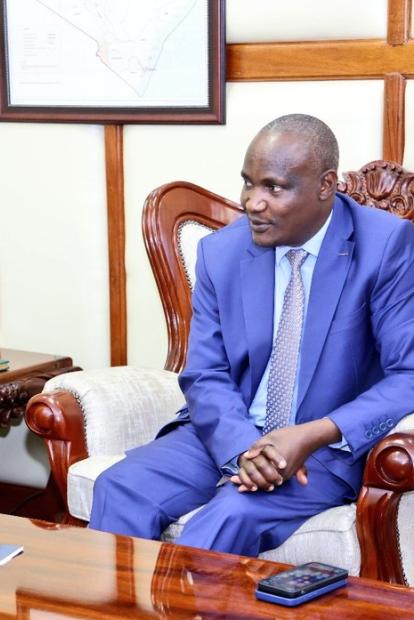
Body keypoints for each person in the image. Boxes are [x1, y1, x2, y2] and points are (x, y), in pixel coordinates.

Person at [90, 114, 414, 555]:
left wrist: (313, 433)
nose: (252, 203)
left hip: (324, 448)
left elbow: (408, 374)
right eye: (248, 183)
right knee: (120, 488)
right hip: (229, 430)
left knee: (229, 515)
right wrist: (244, 448)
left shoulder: (385, 246)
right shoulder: (222, 252)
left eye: (273, 187)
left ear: (325, 186)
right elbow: (206, 372)